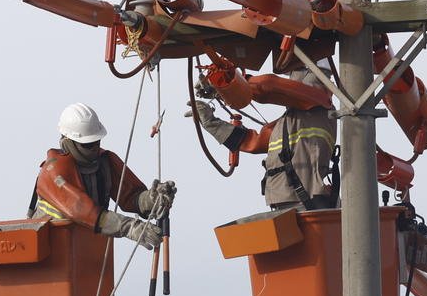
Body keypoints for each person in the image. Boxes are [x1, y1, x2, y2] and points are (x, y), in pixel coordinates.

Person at [191, 40, 338, 210]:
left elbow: (270, 87)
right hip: (287, 202)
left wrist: (229, 82)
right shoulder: (291, 122)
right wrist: (212, 123)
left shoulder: (320, 106)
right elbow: (252, 143)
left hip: (307, 203)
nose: (292, 81)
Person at [32, 102, 174, 248]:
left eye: (96, 141)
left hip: (87, 252)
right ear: (68, 142)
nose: (94, 148)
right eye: (87, 144)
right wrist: (129, 227)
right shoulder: (54, 171)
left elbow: (130, 196)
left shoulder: (104, 163)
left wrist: (150, 200)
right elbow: (81, 209)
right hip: (51, 252)